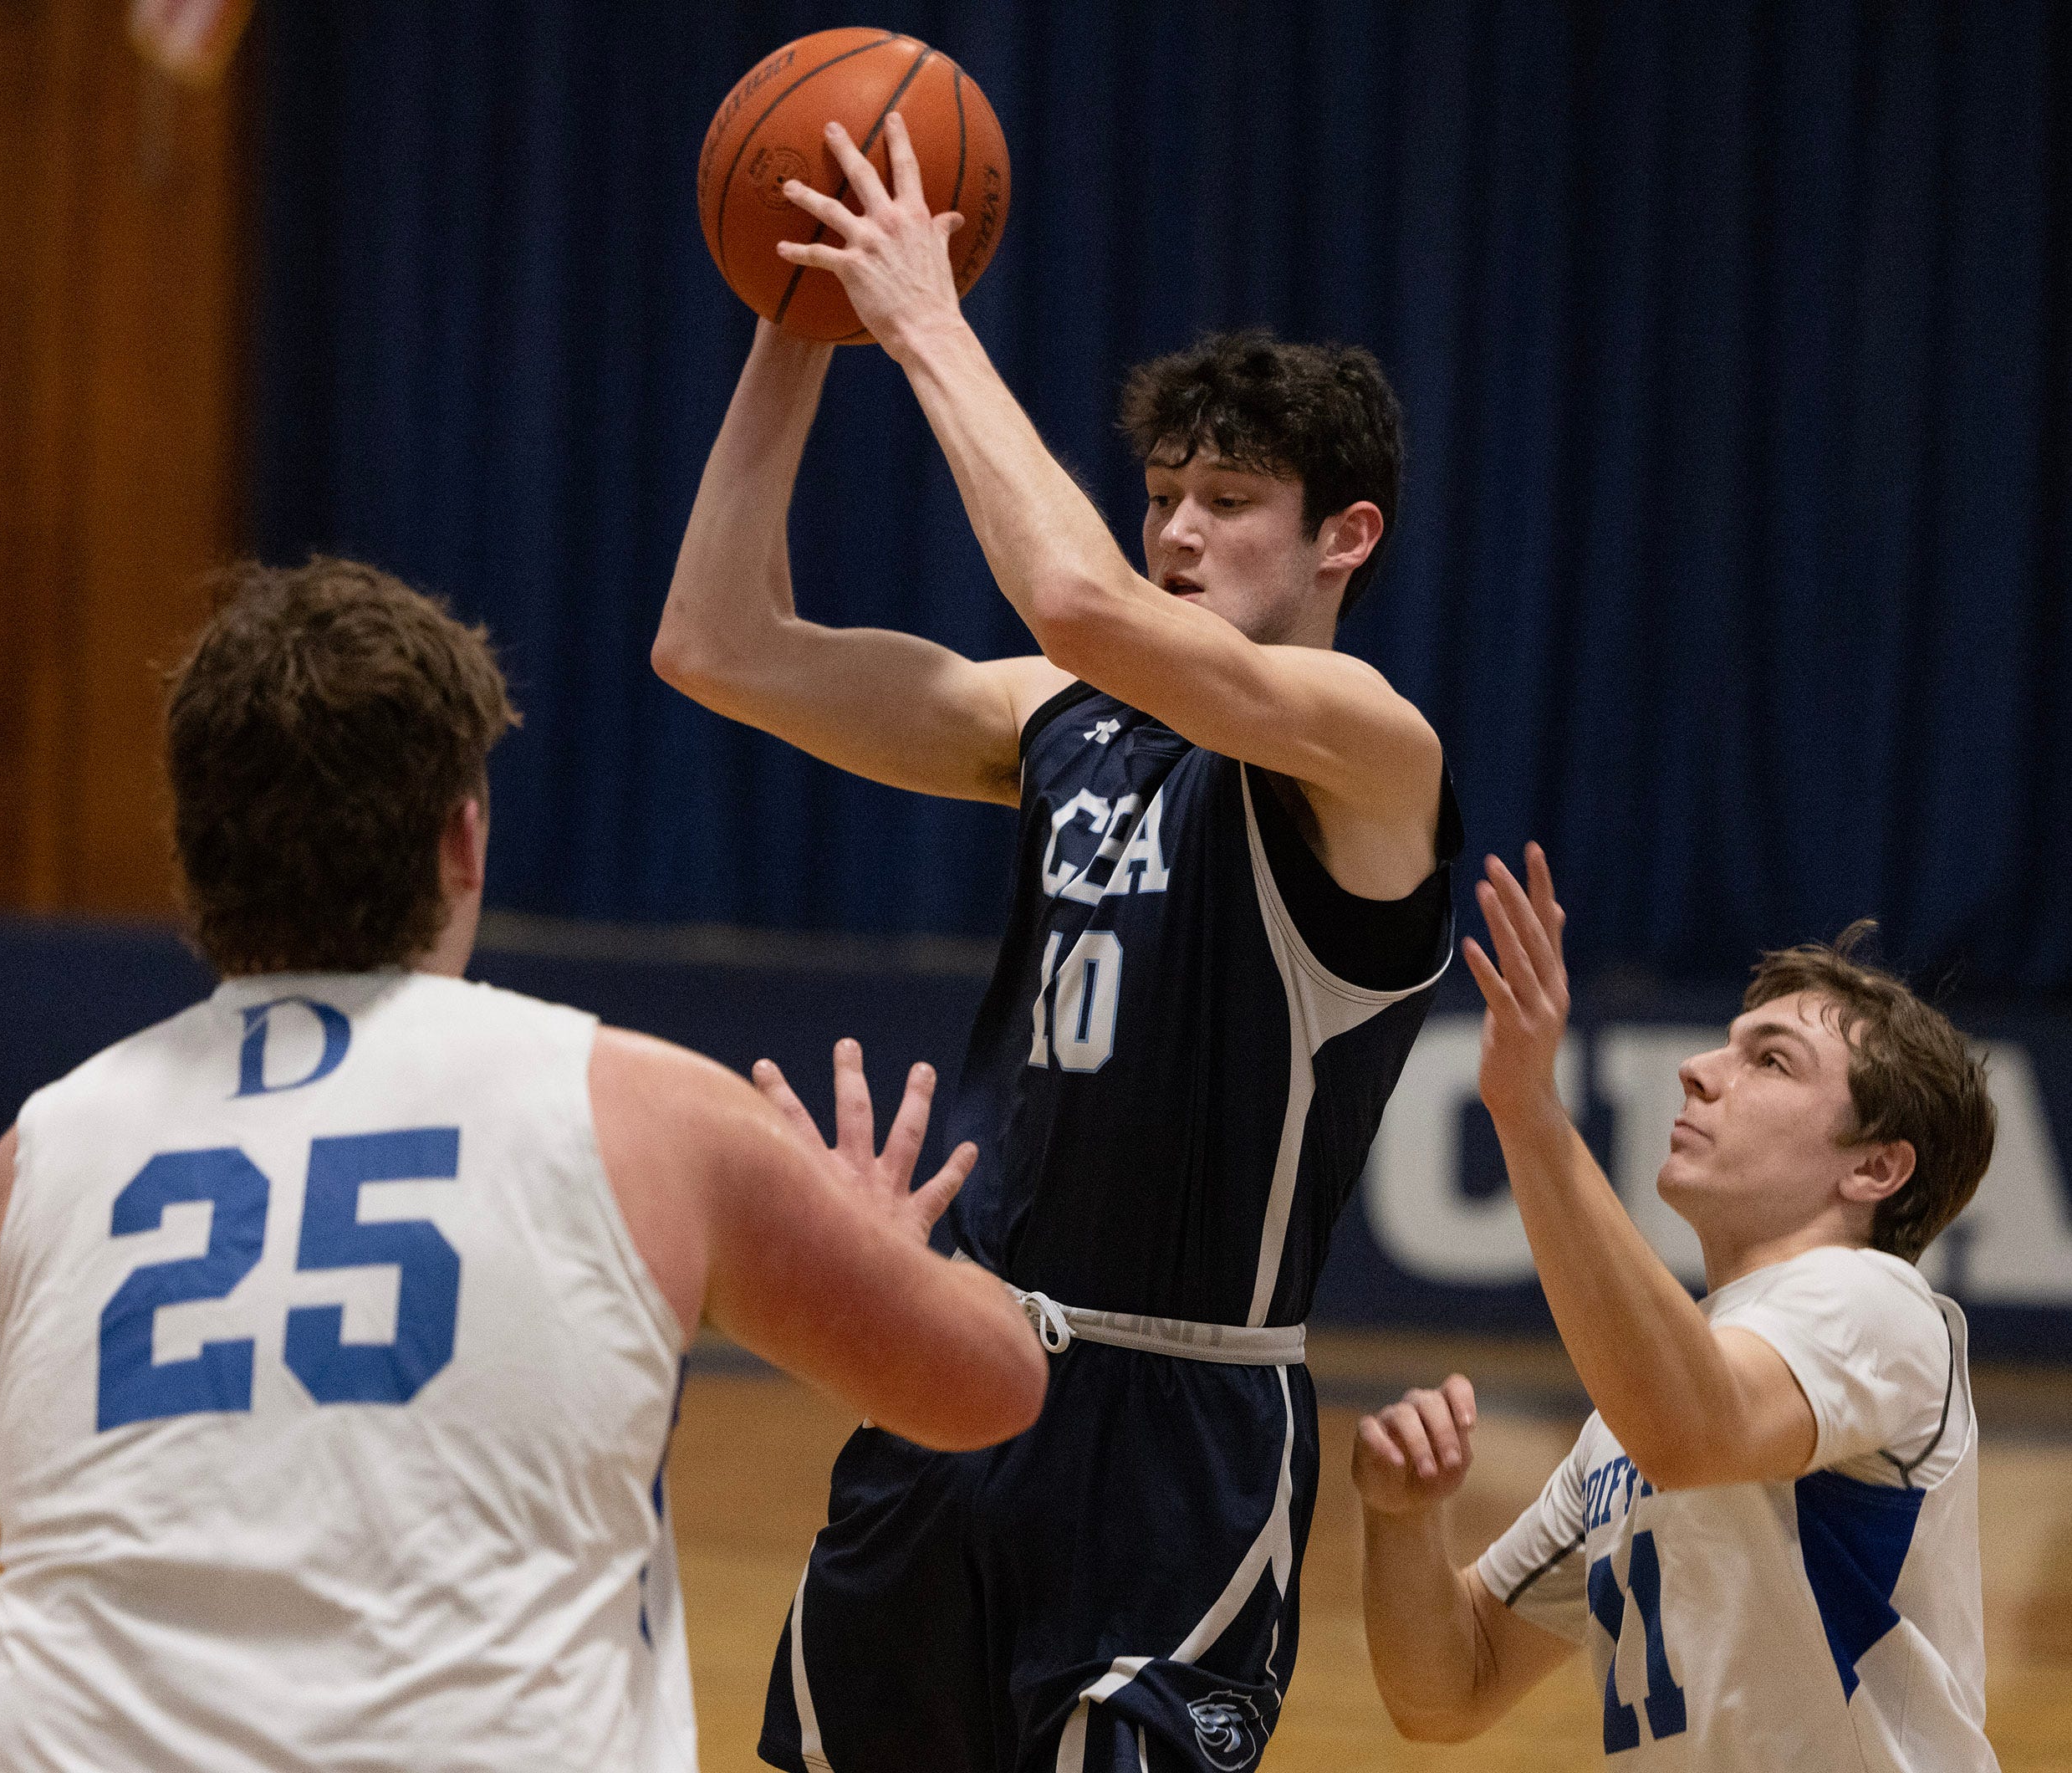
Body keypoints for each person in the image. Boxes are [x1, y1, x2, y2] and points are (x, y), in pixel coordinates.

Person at [656, 115, 1460, 1772]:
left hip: (1176, 1429)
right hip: (956, 1360)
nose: (1174, 531)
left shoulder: (1372, 751)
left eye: (1226, 502)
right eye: (1159, 496)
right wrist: (794, 325)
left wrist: (922, 317)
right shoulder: (1062, 723)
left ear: (1344, 538)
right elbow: (715, 640)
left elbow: (1081, 603)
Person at [0, 557, 1047, 1772]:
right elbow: (987, 1389)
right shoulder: (642, 1106)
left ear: (194, 852)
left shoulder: (36, 1157)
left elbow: (19, 1519)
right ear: (464, 840)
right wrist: (881, 1249)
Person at [1354, 846, 1998, 1769]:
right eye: (1724, 1041)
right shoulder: (1622, 1424)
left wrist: (1529, 1113)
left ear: (1873, 1166)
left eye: (1769, 1060)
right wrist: (1401, 1517)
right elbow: (1450, 1686)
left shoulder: (1881, 1303)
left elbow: (1695, 1428)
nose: (1698, 1068)